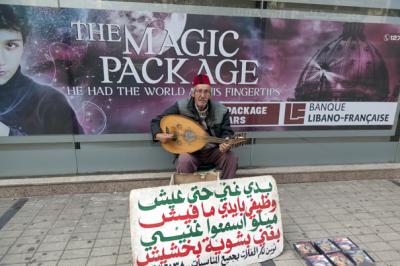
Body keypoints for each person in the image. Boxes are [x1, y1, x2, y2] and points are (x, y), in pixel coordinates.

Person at [0, 5, 82, 136]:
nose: (1, 60)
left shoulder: (50, 101)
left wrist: (7, 133)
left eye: (10, 45)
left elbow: (69, 152)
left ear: (23, 46)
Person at [151, 74, 238, 179]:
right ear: (193, 93)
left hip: (213, 151)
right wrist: (158, 135)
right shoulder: (181, 106)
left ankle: (225, 189)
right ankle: (188, 192)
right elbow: (156, 121)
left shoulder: (222, 110)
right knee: (184, 160)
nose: (202, 95)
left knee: (231, 158)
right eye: (199, 91)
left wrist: (226, 141)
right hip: (191, 152)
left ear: (210, 95)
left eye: (206, 92)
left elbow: (226, 131)